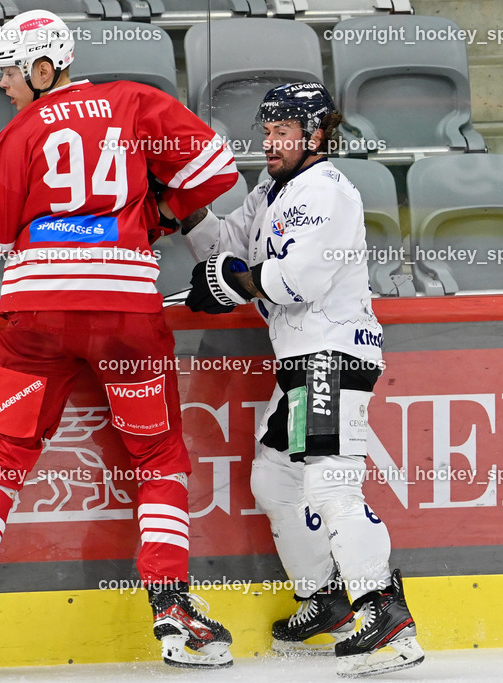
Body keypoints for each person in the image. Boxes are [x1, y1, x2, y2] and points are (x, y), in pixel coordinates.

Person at [0, 9, 239, 673]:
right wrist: (157, 209)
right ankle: (172, 607)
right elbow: (217, 172)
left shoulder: (21, 134)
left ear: (43, 66)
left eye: (10, 70)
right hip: (127, 315)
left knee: (1, 455)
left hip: (38, 319)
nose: (4, 84)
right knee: (157, 456)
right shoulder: (135, 101)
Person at [180, 82, 424, 678]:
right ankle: (326, 597)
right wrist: (184, 210)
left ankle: (386, 612)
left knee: (332, 487)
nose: (269, 142)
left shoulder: (327, 193)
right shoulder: (271, 188)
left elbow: (293, 283)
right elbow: (226, 242)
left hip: (329, 360)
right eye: (266, 132)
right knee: (274, 481)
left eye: (282, 132)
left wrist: (229, 284)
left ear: (315, 135)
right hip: (302, 365)